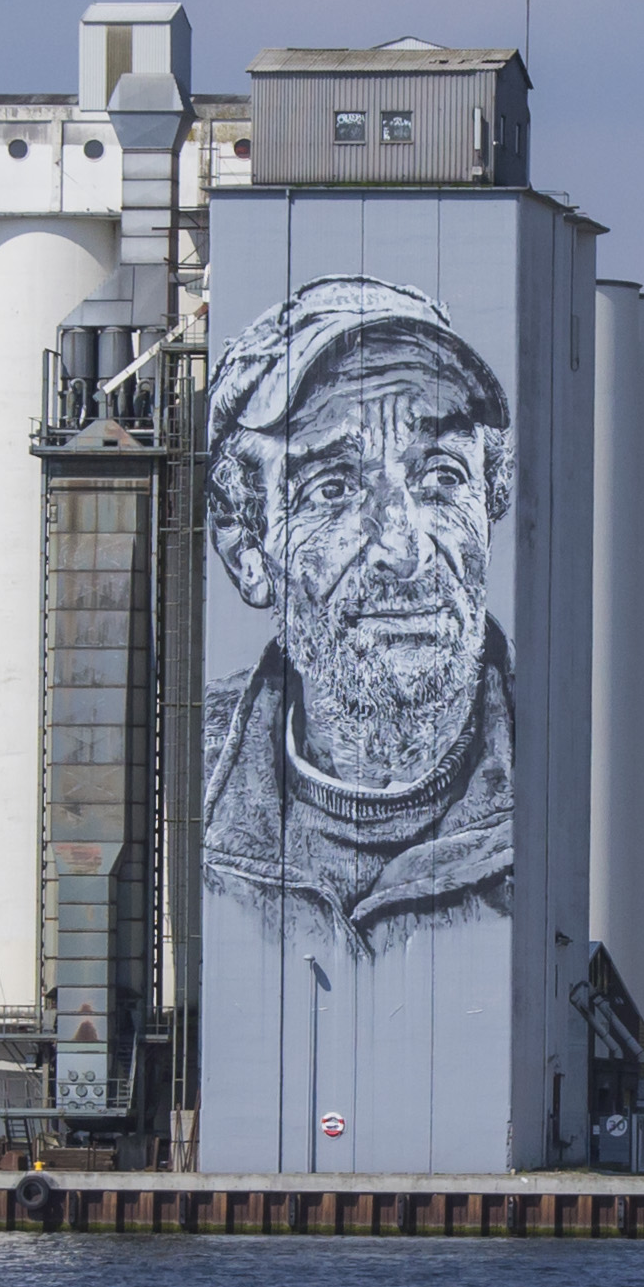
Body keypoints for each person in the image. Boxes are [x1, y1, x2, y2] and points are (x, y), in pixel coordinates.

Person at [200, 271, 517, 953]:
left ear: (489, 504)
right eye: (334, 487)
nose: (403, 550)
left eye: (441, 478)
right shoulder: (178, 799)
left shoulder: (570, 789)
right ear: (246, 548)